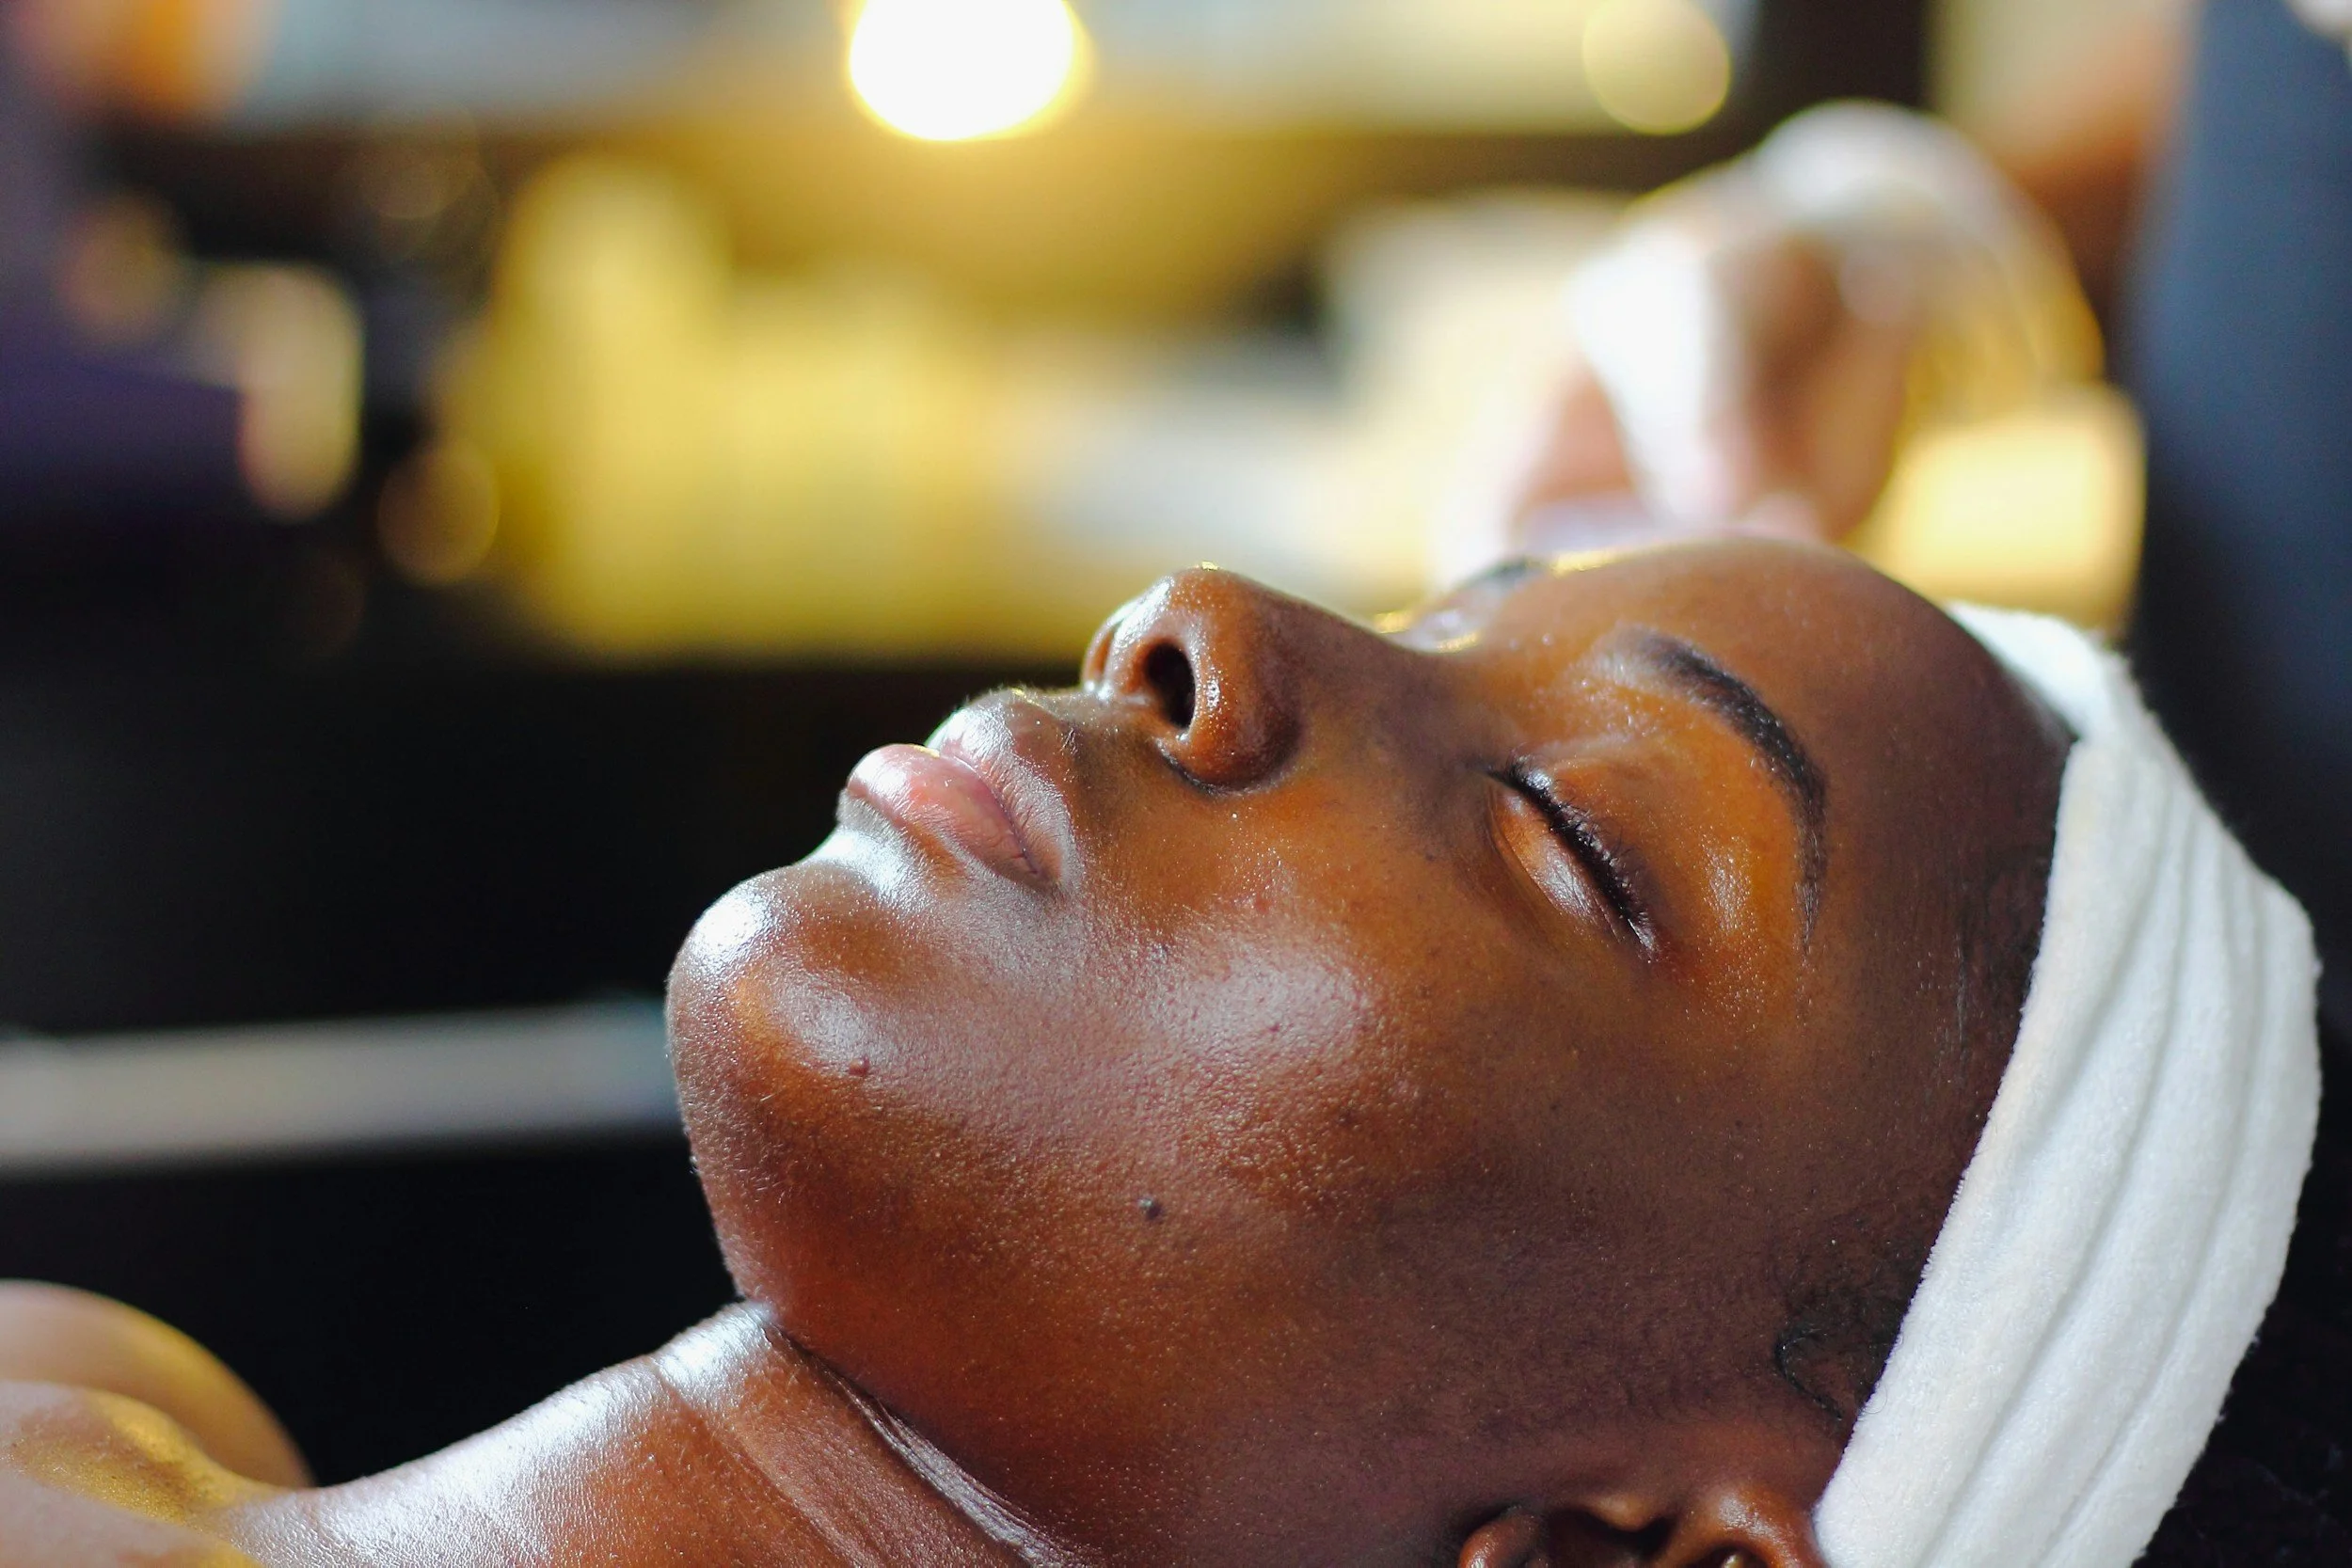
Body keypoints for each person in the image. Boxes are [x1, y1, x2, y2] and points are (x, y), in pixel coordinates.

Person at [0, 540, 2321, 1564]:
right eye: (1446, 606)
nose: (1195, 620)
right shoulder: (102, 1396)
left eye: (1567, 840)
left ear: (1616, 1549)